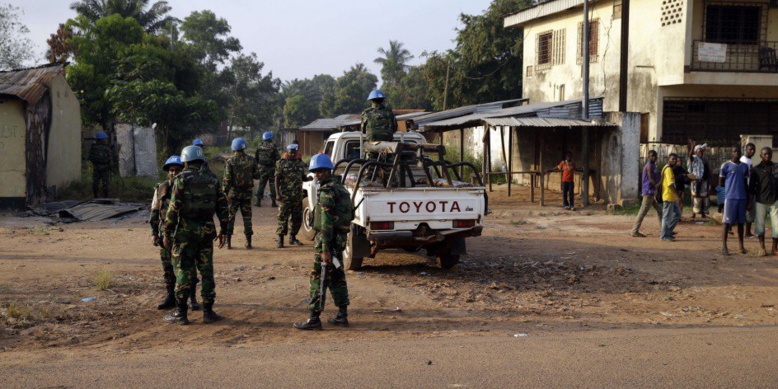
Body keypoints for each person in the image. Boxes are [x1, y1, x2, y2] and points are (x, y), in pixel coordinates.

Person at [163, 146, 229, 325]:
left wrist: (167, 232)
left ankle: (181, 313)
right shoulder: (213, 179)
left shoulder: (181, 179)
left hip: (185, 232)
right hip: (207, 231)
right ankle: (208, 312)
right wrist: (224, 229)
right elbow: (223, 206)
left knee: (184, 269)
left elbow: (173, 208)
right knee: (207, 271)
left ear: (185, 161)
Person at [294, 154, 354, 330]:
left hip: (328, 241)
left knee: (318, 277)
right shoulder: (340, 188)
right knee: (337, 276)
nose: (317, 175)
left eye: (320, 171)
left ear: (328, 170)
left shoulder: (327, 191)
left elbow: (326, 222)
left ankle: (314, 318)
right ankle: (342, 314)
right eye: (315, 172)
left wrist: (325, 249)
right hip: (338, 240)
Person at [150, 155, 202, 311]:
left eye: (177, 170)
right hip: (166, 233)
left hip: (184, 233)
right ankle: (170, 297)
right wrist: (154, 233)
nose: (173, 173)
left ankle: (192, 298)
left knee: (188, 267)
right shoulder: (161, 188)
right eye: (170, 171)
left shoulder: (189, 187)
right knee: (167, 267)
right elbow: (155, 211)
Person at [223, 138, 260, 249]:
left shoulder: (230, 162)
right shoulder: (252, 160)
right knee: (247, 218)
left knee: (230, 217)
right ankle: (248, 242)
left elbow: (227, 179)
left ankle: (228, 242)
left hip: (233, 195)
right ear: (244, 147)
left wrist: (225, 193)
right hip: (247, 194)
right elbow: (257, 176)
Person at [275, 144, 313, 248]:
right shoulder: (281, 163)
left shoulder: (300, 164)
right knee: (282, 217)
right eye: (291, 153)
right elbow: (277, 179)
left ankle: (293, 237)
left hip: (297, 196)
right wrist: (277, 194)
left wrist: (308, 178)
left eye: (294, 153)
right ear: (287, 152)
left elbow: (302, 177)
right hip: (285, 196)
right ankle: (280, 239)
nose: (293, 155)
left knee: (296, 218)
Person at [719, 146, 751, 256]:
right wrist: (721, 201)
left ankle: (741, 246)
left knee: (741, 223)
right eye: (734, 151)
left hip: (742, 198)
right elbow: (721, 184)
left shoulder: (745, 167)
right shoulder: (725, 166)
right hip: (730, 198)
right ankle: (724, 247)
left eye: (738, 151)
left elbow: (746, 184)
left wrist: (748, 200)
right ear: (731, 153)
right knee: (727, 223)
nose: (736, 153)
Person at [749, 147, 778, 256]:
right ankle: (763, 247)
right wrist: (750, 202)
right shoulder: (755, 170)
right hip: (761, 201)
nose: (767, 156)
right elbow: (751, 188)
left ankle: (774, 248)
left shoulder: (776, 167)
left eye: (769, 154)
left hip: (775, 201)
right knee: (760, 226)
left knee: (777, 226)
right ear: (761, 156)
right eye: (765, 154)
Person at [631, 150, 663, 237]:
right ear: (648, 157)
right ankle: (634, 230)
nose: (654, 157)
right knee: (642, 212)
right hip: (648, 192)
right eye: (652, 156)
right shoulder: (649, 166)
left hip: (651, 193)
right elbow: (651, 178)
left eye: (655, 156)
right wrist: (657, 186)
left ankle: (664, 230)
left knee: (660, 210)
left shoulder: (653, 166)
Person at [660, 153, 681, 242]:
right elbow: (670, 185)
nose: (674, 161)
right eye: (673, 159)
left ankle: (668, 231)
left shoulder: (668, 168)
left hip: (671, 197)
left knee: (677, 214)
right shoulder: (668, 169)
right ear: (668, 159)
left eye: (675, 159)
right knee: (666, 216)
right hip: (668, 196)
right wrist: (678, 195)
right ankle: (664, 235)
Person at [255, 131, 280, 207]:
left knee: (261, 184)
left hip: (262, 168)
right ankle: (273, 202)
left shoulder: (259, 146)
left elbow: (256, 158)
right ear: (270, 138)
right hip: (271, 168)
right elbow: (278, 158)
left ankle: (258, 202)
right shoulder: (273, 147)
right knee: (272, 185)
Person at [689, 141, 711, 219]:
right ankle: (694, 213)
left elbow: (708, 170)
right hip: (696, 181)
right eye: (699, 151)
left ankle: (703, 213)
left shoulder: (705, 160)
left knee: (703, 197)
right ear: (696, 152)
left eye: (701, 151)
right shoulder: (694, 159)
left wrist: (709, 180)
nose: (700, 153)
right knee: (695, 196)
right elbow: (690, 156)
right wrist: (692, 148)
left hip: (704, 181)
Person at [88, 131, 112, 198]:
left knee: (95, 182)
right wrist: (110, 166)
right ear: (102, 139)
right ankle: (106, 197)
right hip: (105, 168)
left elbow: (90, 157)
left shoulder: (93, 147)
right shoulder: (106, 148)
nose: (105, 140)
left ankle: (96, 196)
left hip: (96, 167)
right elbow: (109, 158)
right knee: (105, 183)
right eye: (104, 139)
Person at [741, 143, 756, 237]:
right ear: (746, 149)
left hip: (749, 187)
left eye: (753, 150)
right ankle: (747, 232)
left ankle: (747, 232)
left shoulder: (749, 160)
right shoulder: (744, 161)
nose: (752, 151)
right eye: (750, 149)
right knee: (749, 209)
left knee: (748, 210)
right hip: (746, 188)